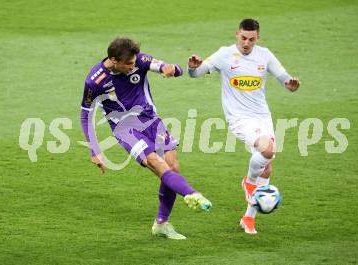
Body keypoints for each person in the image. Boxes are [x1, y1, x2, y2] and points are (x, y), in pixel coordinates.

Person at [80, 37, 212, 240]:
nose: (134, 66)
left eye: (135, 62)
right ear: (114, 60)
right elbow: (85, 114)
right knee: (156, 162)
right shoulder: (95, 80)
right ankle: (191, 194)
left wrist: (172, 69)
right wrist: (94, 150)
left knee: (172, 167)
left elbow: (169, 68)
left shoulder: (139, 60)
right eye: (129, 63)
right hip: (125, 128)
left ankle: (162, 224)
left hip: (151, 121)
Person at [187, 19, 300, 234]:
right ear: (237, 34)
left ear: (258, 38)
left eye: (252, 39)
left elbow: (285, 78)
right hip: (239, 118)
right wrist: (193, 68)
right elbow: (196, 73)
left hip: (262, 116)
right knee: (267, 150)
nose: (247, 43)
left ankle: (248, 218)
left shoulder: (264, 55)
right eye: (243, 38)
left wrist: (291, 85)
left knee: (266, 165)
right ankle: (248, 182)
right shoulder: (224, 54)